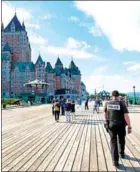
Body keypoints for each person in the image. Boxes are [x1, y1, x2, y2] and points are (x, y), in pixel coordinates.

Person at [104, 90, 132, 167]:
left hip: (111, 124)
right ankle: (121, 153)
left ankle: (115, 161)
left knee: (113, 142)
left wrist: (107, 122)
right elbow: (126, 116)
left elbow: (105, 114)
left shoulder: (107, 103)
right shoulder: (122, 103)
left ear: (112, 96)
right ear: (118, 96)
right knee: (121, 139)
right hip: (121, 124)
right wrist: (129, 126)